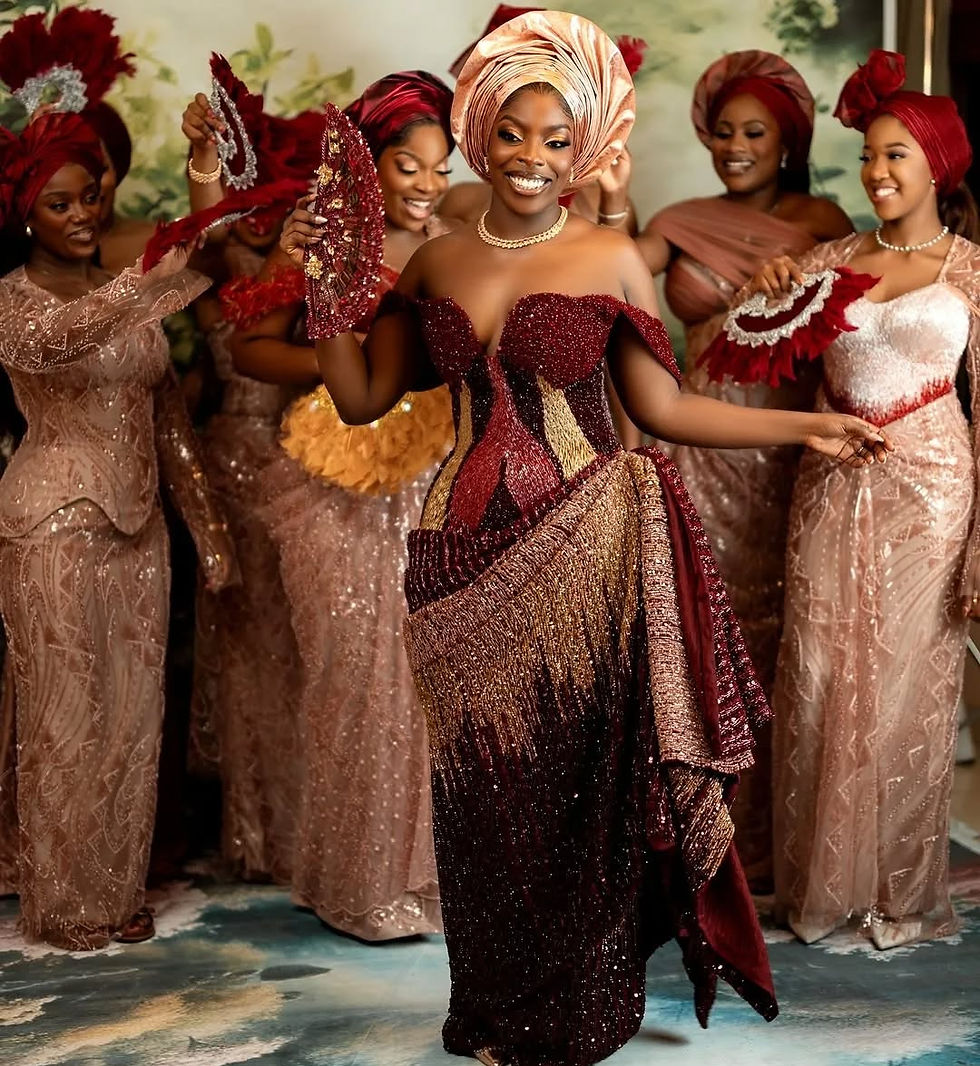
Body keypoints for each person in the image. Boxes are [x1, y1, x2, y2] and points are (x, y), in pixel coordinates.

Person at [279, 13, 890, 1064]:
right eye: (512, 135)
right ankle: (492, 1008)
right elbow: (362, 393)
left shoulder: (609, 252)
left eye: (556, 140)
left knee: (580, 792)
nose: (532, 158)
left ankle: (576, 1009)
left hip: (588, 547)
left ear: (584, 146)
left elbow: (661, 409)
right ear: (480, 134)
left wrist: (809, 425)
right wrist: (332, 280)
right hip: (452, 557)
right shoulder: (434, 259)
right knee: (479, 796)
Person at [747, 50, 980, 951]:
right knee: (815, 672)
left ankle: (897, 892)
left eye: (896, 157)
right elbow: (745, 346)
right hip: (829, 482)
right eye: (870, 157)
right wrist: (764, 287)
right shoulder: (828, 260)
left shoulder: (970, 271)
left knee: (904, 685)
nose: (877, 173)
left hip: (932, 490)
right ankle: (821, 889)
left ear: (938, 167)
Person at [0, 112, 235, 949]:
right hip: (52, 527)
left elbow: (169, 424)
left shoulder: (128, 295)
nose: (81, 215)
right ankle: (65, 904)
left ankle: (115, 887)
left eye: (90, 197)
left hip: (141, 531)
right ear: (27, 214)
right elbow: (71, 337)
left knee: (135, 719)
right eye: (59, 204)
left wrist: (208, 530)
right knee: (66, 716)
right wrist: (164, 271)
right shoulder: (16, 305)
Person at [232, 70, 457, 940]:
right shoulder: (316, 240)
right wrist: (349, 364)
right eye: (409, 165)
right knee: (349, 678)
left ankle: (428, 881)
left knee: (429, 681)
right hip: (330, 482)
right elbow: (253, 350)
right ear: (369, 163)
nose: (428, 184)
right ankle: (354, 882)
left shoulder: (458, 239)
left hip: (432, 479)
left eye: (440, 167)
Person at [633, 51, 853, 889]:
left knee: (772, 643)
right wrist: (610, 201)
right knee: (691, 641)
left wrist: (789, 285)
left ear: (787, 139)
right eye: (722, 132)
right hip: (694, 447)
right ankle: (694, 843)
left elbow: (850, 323)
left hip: (783, 450)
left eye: (753, 132)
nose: (734, 146)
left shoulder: (823, 217)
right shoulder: (680, 216)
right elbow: (614, 278)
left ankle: (766, 844)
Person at [176, 67, 323, 884]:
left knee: (300, 648)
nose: (277, 205)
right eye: (263, 189)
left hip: (301, 459)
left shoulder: (323, 254)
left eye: (292, 191)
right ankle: (256, 834)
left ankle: (305, 829)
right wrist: (201, 157)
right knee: (244, 650)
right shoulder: (228, 255)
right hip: (226, 462)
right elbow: (200, 232)